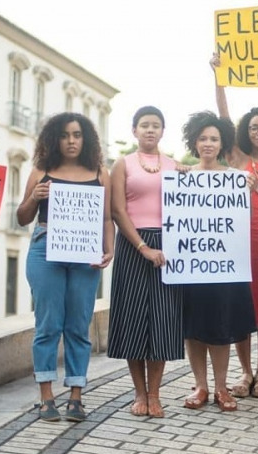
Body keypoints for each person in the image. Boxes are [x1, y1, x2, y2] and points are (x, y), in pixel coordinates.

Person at [17, 113, 114, 422]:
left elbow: (106, 217)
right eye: (64, 135)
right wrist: (34, 197)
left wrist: (108, 248)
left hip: (85, 254)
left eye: (76, 135)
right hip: (46, 249)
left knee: (78, 325)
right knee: (48, 325)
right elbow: (22, 217)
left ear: (85, 139)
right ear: (54, 140)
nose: (71, 141)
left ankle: (75, 396)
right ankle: (46, 397)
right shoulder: (41, 171)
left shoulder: (99, 172)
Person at [210, 53, 258, 399]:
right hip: (239, 243)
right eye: (253, 127)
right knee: (243, 305)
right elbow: (223, 119)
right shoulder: (239, 159)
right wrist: (218, 78)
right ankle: (244, 371)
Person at [107, 106, 185, 418]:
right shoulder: (122, 165)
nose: (150, 130)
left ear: (163, 131)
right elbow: (117, 211)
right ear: (134, 131)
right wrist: (142, 247)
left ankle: (155, 394)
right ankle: (139, 393)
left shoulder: (176, 166)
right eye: (144, 125)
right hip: (133, 244)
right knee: (134, 319)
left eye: (155, 125)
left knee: (163, 321)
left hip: (168, 248)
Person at [179, 111, 257, 413]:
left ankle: (222, 387)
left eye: (214, 138)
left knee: (221, 327)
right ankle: (201, 385)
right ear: (194, 142)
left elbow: (241, 221)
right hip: (193, 264)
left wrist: (247, 192)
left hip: (225, 266)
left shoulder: (236, 179)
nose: (208, 143)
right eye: (203, 138)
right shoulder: (183, 175)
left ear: (222, 142)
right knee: (194, 328)